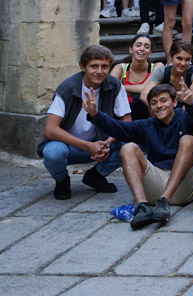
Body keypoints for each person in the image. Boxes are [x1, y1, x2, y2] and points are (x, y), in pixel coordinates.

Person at [85, 82, 193, 229]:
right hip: (156, 184)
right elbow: (118, 128)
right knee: (128, 148)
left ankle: (166, 198)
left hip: (183, 186)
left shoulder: (185, 118)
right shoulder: (147, 125)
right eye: (154, 103)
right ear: (150, 108)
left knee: (188, 140)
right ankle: (142, 206)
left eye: (163, 100)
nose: (159, 105)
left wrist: (191, 104)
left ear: (175, 102)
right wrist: (95, 114)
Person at [40, 45, 128, 200]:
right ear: (83, 67)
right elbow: (50, 129)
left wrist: (107, 143)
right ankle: (61, 180)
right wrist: (88, 146)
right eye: (94, 66)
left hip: (101, 144)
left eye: (104, 66)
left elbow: (126, 122)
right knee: (53, 152)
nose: (99, 71)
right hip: (70, 147)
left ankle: (96, 175)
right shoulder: (67, 88)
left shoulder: (115, 85)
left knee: (134, 142)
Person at [112, 34, 164, 120]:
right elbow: (110, 89)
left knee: (137, 99)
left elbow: (144, 88)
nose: (142, 49)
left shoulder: (157, 66)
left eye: (146, 47)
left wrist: (121, 88)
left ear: (150, 52)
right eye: (138, 45)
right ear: (130, 49)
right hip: (121, 117)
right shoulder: (120, 68)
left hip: (146, 117)